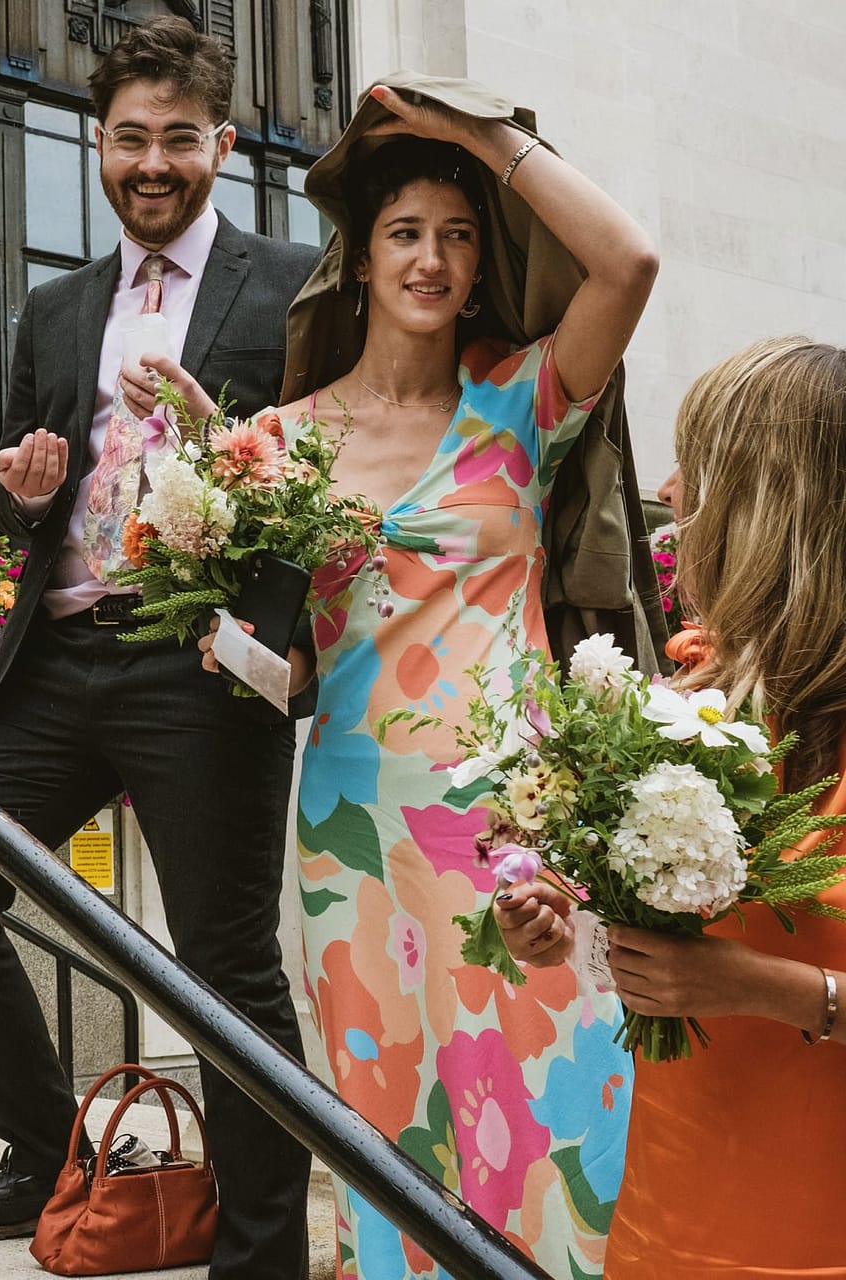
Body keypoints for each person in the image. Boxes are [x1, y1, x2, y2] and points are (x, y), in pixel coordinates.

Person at [0, 20, 322, 1276]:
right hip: (60, 658)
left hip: (199, 667)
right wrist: (21, 493)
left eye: (179, 138)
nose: (152, 162)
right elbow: (31, 478)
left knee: (225, 966)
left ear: (221, 145)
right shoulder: (57, 305)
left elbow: (325, 475)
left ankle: (258, 1252)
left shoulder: (293, 286)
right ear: (99, 144)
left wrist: (216, 431)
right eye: (130, 138)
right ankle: (48, 1154)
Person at [262, 78, 657, 1278]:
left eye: (456, 235)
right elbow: (279, 649)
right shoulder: (284, 438)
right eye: (403, 233)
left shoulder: (519, 400)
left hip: (511, 809)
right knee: (383, 1105)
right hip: (350, 817)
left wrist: (480, 136)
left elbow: (629, 262)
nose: (430, 259)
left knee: (549, 1084)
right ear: (361, 259)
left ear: (482, 265)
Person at [500, 338, 846, 1280]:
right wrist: (566, 921)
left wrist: (769, 990)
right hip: (670, 1219)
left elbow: (734, 967)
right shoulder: (696, 694)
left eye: (696, 463)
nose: (668, 487)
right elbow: (668, 929)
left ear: (767, 504)